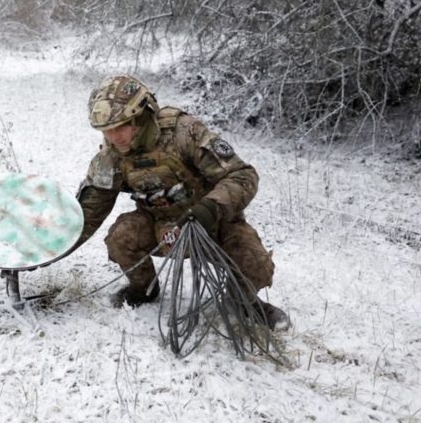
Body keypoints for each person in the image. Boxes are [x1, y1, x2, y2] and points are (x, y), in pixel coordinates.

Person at [74, 74, 290, 330]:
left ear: (141, 116)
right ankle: (144, 289)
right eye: (106, 131)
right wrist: (46, 251)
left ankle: (243, 302)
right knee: (122, 236)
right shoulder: (110, 156)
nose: (113, 137)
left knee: (255, 264)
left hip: (211, 222)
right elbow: (89, 212)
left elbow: (242, 175)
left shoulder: (184, 133)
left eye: (120, 127)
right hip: (160, 228)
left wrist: (208, 209)